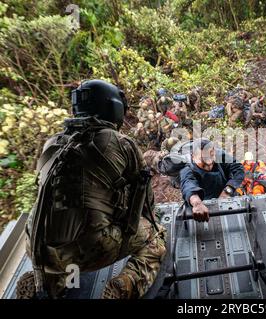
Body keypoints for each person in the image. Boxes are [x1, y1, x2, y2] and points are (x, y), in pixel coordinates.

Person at [16, 79, 166, 299]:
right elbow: (146, 204)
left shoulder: (53, 142)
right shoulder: (121, 143)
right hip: (87, 248)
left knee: (66, 248)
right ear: (113, 108)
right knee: (156, 239)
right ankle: (121, 287)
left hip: (36, 247)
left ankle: (50, 283)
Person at [179, 139, 244, 222]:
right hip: (205, 206)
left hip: (228, 196)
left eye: (211, 157)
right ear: (193, 157)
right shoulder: (187, 168)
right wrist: (197, 203)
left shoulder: (220, 155)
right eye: (203, 160)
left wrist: (227, 191)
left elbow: (238, 168)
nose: (209, 164)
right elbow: (188, 184)